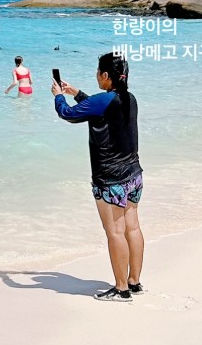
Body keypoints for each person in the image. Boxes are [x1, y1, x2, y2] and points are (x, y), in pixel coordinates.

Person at [52, 52, 144, 302]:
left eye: (97, 71)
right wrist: (77, 92)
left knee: (115, 232)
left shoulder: (104, 101)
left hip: (111, 179)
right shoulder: (128, 98)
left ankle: (121, 289)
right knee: (132, 227)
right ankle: (134, 282)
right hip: (133, 174)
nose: (96, 75)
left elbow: (68, 114)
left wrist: (59, 96)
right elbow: (100, 105)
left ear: (105, 75)